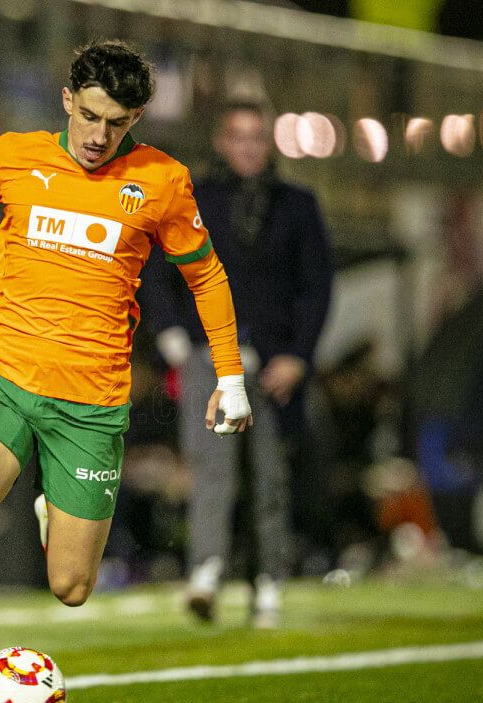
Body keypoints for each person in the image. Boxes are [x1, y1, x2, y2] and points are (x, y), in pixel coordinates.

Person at [0, 40, 251, 703]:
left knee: (71, 587)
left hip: (91, 404)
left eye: (117, 123)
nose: (100, 136)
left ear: (135, 119)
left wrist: (230, 378)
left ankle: (55, 510)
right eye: (90, 116)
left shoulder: (161, 181)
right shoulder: (14, 156)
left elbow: (207, 276)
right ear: (68, 100)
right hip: (4, 375)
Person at [140, 101, 333, 627]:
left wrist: (298, 356)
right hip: (207, 355)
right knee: (211, 469)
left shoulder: (296, 205)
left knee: (270, 476)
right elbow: (157, 268)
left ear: (269, 143)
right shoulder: (193, 198)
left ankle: (268, 582)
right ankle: (206, 572)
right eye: (237, 135)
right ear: (221, 141)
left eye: (256, 136)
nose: (247, 146)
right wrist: (173, 337)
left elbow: (316, 287)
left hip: (272, 363)